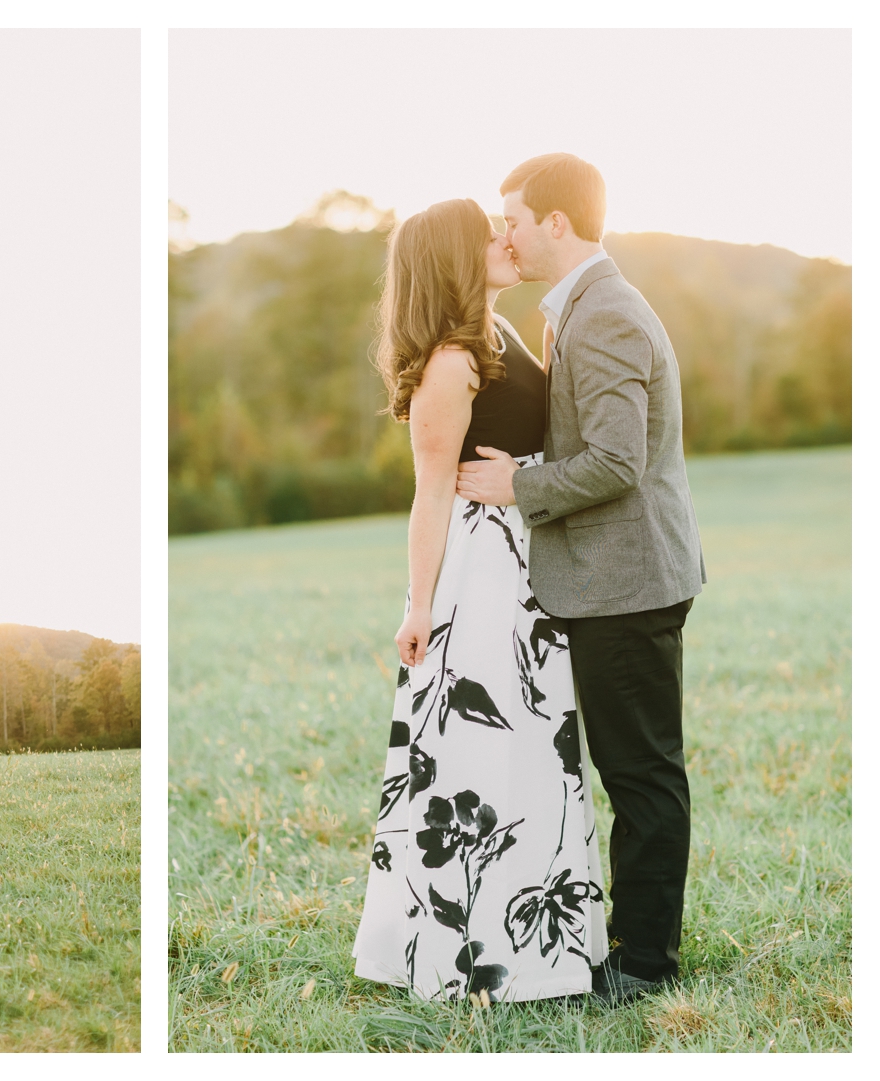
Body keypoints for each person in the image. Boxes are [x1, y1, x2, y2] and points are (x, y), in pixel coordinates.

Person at [456, 154, 705, 1005]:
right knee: (630, 769)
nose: (506, 234)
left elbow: (614, 462)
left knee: (639, 774)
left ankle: (643, 964)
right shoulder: (577, 308)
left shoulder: (603, 316)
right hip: (612, 577)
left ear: (555, 223)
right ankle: (635, 941)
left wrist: (515, 485)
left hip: (627, 579)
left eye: (514, 218)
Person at [351, 196, 607, 1004]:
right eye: (486, 234)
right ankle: (475, 951)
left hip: (530, 563)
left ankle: (546, 944)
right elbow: (432, 494)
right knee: (483, 748)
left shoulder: (500, 334)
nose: (505, 238)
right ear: (455, 261)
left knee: (537, 745)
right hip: (482, 574)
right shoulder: (450, 360)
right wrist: (417, 606)